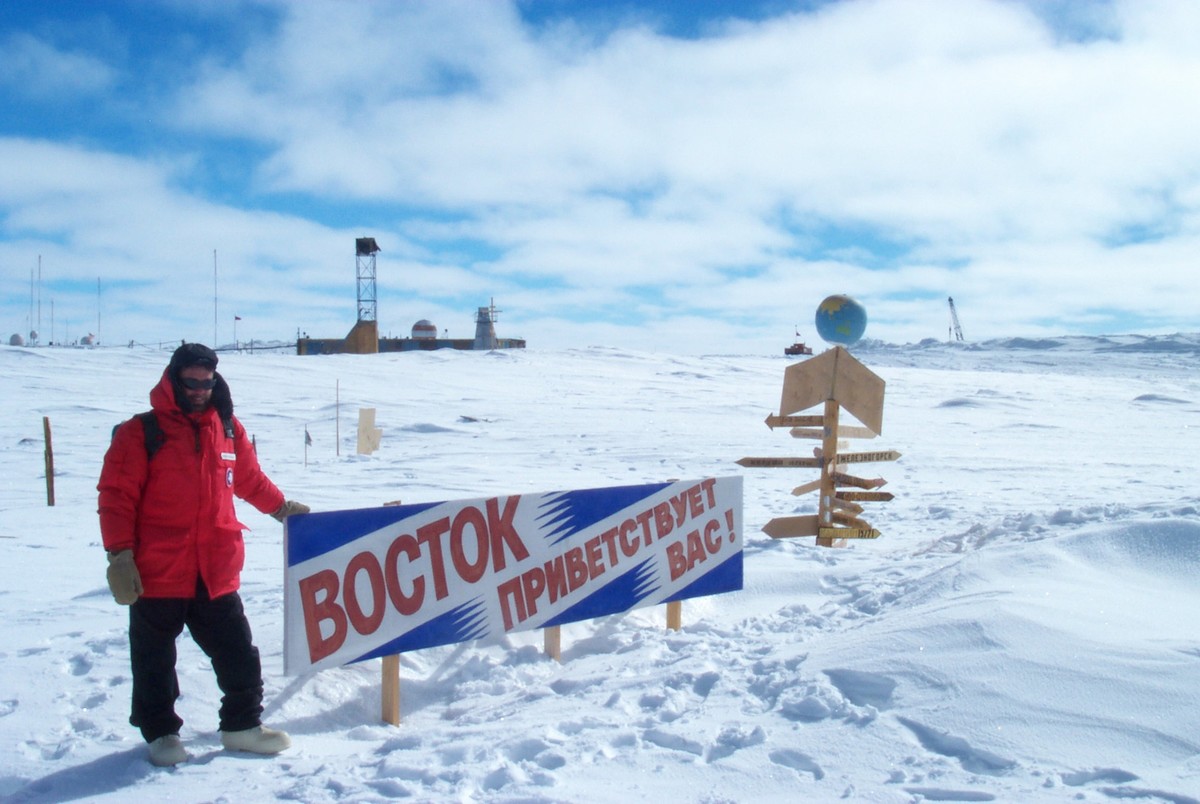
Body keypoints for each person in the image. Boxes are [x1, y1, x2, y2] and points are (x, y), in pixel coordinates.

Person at [98, 343, 310, 767]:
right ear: (173, 380)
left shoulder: (227, 428)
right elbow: (116, 496)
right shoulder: (141, 432)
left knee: (238, 654)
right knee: (154, 660)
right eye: (191, 382)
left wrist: (282, 509)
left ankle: (242, 726)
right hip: (157, 571)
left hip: (214, 569)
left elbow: (249, 479)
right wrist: (119, 554)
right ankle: (161, 734)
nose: (199, 390)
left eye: (206, 382)